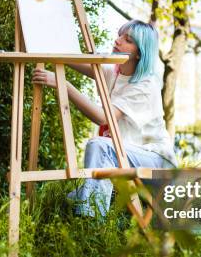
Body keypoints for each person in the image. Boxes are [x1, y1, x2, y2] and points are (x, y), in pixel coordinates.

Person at [31, 19, 177, 217]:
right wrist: (46, 41)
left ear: (139, 52)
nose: (117, 41)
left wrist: (62, 84)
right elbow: (70, 59)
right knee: (68, 201)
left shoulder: (144, 85)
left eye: (128, 40)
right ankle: (90, 214)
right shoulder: (115, 71)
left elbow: (102, 118)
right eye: (119, 35)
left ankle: (90, 223)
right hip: (125, 155)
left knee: (100, 146)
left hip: (156, 163)